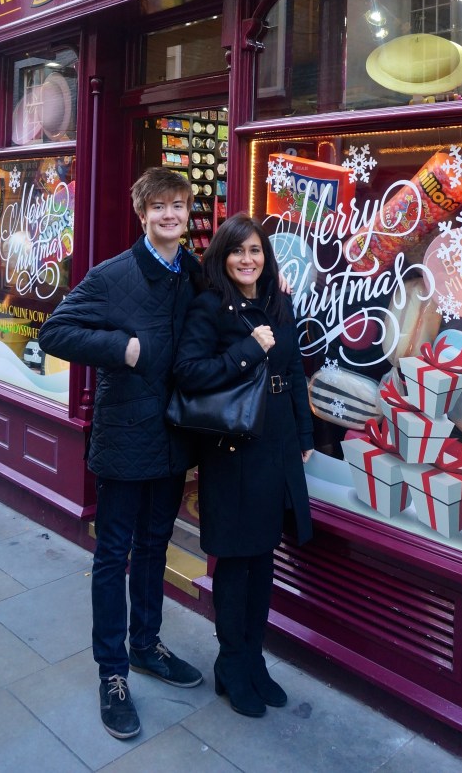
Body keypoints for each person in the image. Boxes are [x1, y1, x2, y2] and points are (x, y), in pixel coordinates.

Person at [38, 167, 203, 742]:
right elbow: (55, 332)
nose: (168, 216)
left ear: (188, 214)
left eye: (177, 206)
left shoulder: (194, 274)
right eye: (158, 207)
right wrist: (119, 348)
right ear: (142, 214)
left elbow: (229, 311)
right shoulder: (112, 276)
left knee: (155, 547)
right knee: (113, 556)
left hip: (173, 439)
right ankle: (112, 673)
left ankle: (146, 646)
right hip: (123, 439)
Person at [174, 212, 314, 718]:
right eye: (237, 251)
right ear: (222, 257)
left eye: (255, 250)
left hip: (275, 443)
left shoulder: (279, 301)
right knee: (235, 560)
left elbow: (295, 369)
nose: (247, 260)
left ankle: (253, 660)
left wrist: (304, 433)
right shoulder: (210, 307)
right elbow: (190, 373)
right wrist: (246, 351)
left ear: (265, 255)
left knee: (263, 557)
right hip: (232, 448)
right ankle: (231, 662)